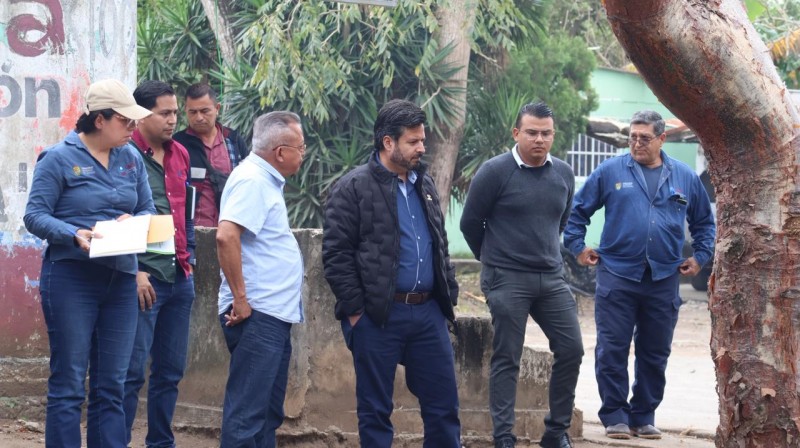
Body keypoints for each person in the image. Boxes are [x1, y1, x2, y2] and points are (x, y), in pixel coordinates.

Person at [563, 110, 715, 440]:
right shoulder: (610, 171)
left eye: (644, 138)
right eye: (632, 137)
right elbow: (576, 212)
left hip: (663, 278)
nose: (636, 143)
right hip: (617, 275)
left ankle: (644, 415)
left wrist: (701, 257)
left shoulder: (684, 177)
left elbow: (704, 222)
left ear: (662, 139)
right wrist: (578, 247)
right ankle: (615, 415)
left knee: (655, 352)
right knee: (612, 349)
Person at [24, 79, 155, 447]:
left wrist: (136, 220)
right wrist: (72, 233)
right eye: (125, 121)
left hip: (121, 280)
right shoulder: (58, 158)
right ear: (100, 120)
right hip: (72, 278)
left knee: (112, 384)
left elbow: (147, 207)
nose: (133, 128)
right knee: (69, 382)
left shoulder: (131, 159)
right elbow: (34, 215)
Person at [322, 99, 461, 448]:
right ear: (388, 142)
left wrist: (448, 295)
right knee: (375, 411)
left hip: (428, 315)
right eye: (413, 141)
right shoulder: (353, 188)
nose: (422, 147)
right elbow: (336, 255)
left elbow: (439, 243)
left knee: (444, 407)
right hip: (378, 317)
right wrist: (357, 313)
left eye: (422, 139)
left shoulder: (424, 184)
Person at [460, 101, 583, 448]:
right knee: (508, 356)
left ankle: (555, 433)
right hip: (507, 277)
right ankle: (504, 437)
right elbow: (470, 223)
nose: (539, 139)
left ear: (553, 135)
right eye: (531, 132)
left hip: (551, 278)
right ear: (516, 133)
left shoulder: (563, 173)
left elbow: (559, 222)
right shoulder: (494, 172)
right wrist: (492, 260)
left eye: (546, 133)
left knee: (572, 349)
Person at [215, 111, 306, 447]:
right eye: (300, 148)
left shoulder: (264, 181)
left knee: (266, 413)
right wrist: (240, 299)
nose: (303, 154)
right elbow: (226, 236)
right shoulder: (252, 180)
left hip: (271, 314)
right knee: (247, 416)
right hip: (257, 314)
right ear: (280, 152)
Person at [122, 80, 196, 447]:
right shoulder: (124, 155)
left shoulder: (180, 153)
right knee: (131, 372)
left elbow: (186, 212)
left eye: (175, 113)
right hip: (143, 278)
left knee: (170, 372)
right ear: (141, 115)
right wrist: (134, 271)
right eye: (164, 113)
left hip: (179, 277)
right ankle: (115, 441)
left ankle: (161, 442)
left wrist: (190, 257)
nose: (172, 120)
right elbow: (116, 215)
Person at [173, 83, 249, 227]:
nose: (199, 117)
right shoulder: (177, 144)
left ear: (217, 108)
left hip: (230, 229)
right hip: (190, 230)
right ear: (186, 111)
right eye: (193, 112)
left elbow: (248, 183)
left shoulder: (233, 141)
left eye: (205, 111)